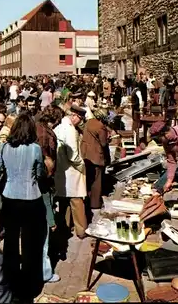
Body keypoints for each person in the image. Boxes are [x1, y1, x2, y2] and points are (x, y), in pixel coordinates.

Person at [0, 113, 47, 301]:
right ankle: (29, 286)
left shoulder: (4, 148)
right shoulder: (35, 149)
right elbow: (40, 173)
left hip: (10, 198)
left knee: (11, 242)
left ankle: (10, 282)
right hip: (31, 199)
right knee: (31, 243)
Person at [54, 105, 88, 239]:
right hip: (72, 171)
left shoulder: (59, 127)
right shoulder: (70, 130)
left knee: (64, 202)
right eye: (80, 120)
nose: (80, 123)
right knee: (77, 201)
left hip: (62, 170)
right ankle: (81, 230)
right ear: (75, 117)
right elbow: (73, 155)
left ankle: (65, 228)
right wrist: (82, 166)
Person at [35, 107, 61, 283]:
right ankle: (45, 271)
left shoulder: (36, 127)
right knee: (43, 233)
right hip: (42, 183)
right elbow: (46, 156)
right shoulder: (44, 134)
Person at [81, 108, 111, 221]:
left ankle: (87, 199)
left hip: (86, 154)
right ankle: (95, 203)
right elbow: (103, 143)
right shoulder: (101, 126)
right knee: (97, 181)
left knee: (88, 179)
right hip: (96, 156)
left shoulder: (89, 122)